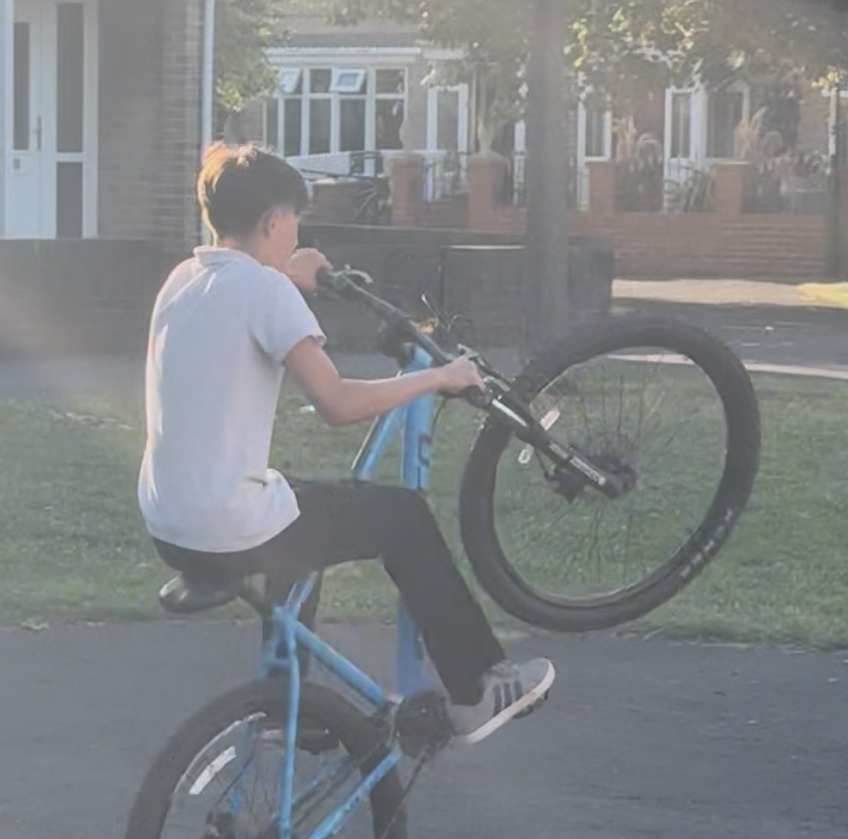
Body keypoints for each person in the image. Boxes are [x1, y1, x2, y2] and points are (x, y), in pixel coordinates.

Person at [138, 142, 554, 744]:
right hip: (225, 524)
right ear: (272, 221)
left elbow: (241, 296)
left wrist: (284, 275)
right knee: (402, 517)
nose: (296, 237)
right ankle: (478, 689)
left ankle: (287, 708)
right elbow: (336, 404)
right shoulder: (268, 293)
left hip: (169, 522)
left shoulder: (183, 280)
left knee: (299, 510)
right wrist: (438, 377)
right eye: (294, 224)